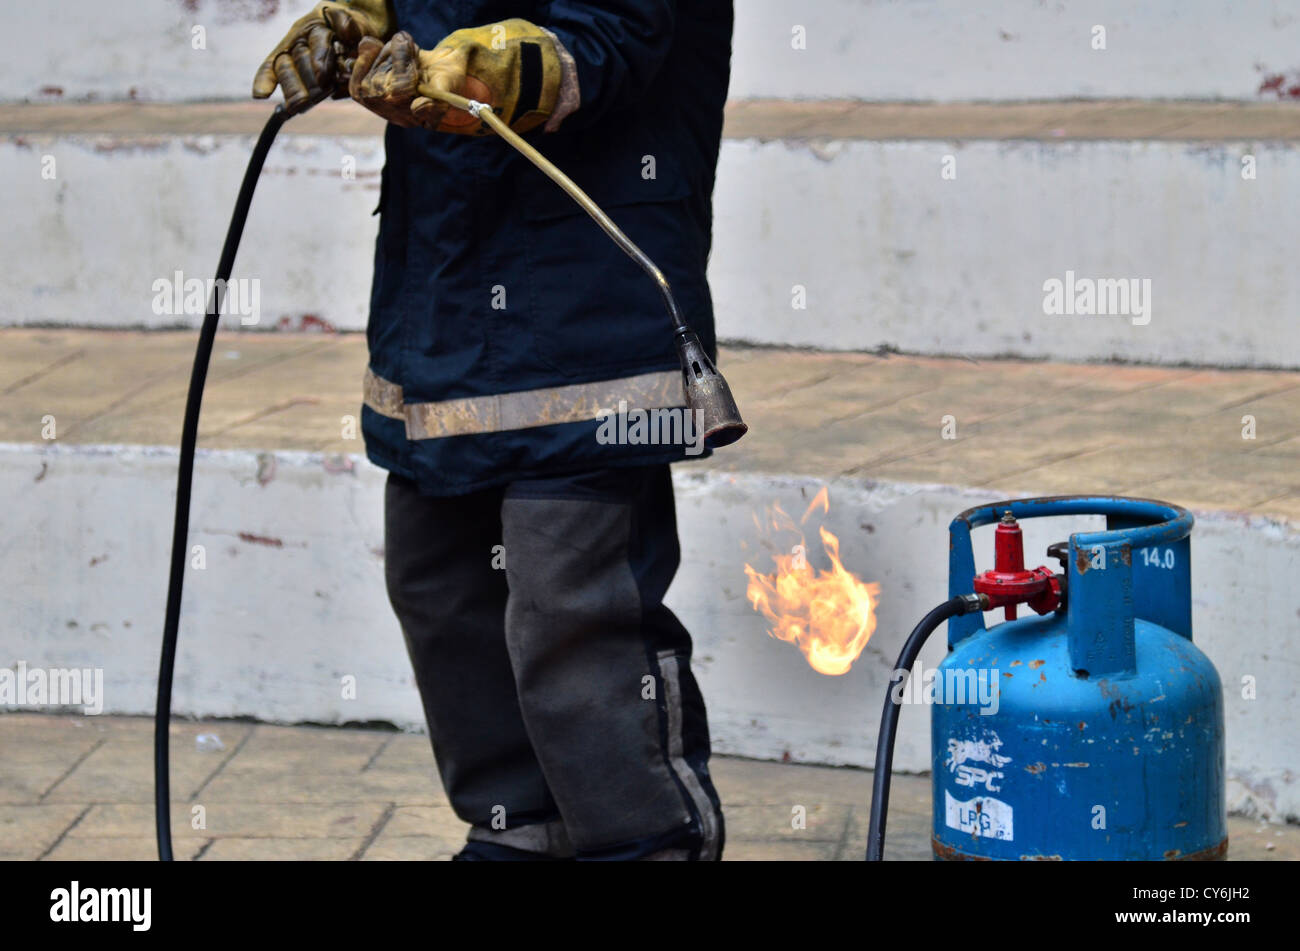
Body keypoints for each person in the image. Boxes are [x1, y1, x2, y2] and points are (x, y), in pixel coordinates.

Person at [253, 0, 732, 861]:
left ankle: (644, 839)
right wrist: (360, 25)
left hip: (586, 295)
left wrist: (473, 72)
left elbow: (615, 35)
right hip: (443, 295)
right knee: (439, 582)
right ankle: (519, 831)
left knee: (572, 608)